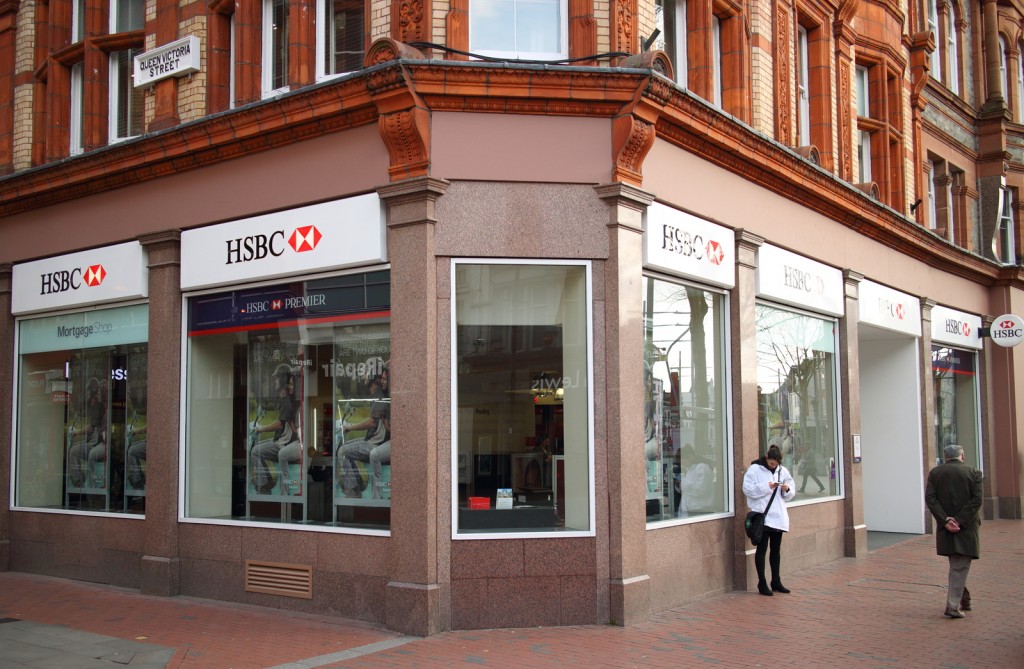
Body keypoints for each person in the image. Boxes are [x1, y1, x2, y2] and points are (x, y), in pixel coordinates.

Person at [925, 444, 983, 618]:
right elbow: (977, 500)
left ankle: (964, 599)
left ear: (945, 457)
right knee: (959, 565)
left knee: (957, 564)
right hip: (966, 526)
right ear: (962, 456)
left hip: (947, 526)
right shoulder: (974, 473)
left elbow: (931, 499)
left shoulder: (936, 473)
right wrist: (959, 520)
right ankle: (952, 606)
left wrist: (946, 520)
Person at [742, 444, 796, 596]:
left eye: (776, 463)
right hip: (762, 516)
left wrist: (787, 489)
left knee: (776, 550)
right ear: (767, 457)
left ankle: (776, 581)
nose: (774, 466)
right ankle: (762, 582)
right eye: (772, 463)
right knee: (762, 550)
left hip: (778, 516)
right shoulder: (754, 470)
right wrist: (767, 486)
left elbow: (791, 488)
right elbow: (747, 489)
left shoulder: (782, 471)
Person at [338, 366, 391, 499]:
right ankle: (357, 484)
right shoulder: (376, 395)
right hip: (372, 440)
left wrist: (350, 428)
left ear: (373, 378)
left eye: (366, 374)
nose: (364, 377)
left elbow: (373, 422)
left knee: (343, 452)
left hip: (376, 443)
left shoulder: (378, 395)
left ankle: (354, 490)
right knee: (343, 448)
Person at [251, 365, 301, 494]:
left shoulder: (286, 400)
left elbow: (280, 424)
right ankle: (266, 482)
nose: (275, 381)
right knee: (257, 451)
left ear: (282, 380)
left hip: (284, 444)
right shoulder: (285, 399)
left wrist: (261, 430)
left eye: (277, 378)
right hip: (281, 442)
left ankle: (270, 487)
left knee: (256, 452)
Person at [68, 377, 107, 488]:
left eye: (88, 391)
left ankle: (88, 482)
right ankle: (79, 480)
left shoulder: (97, 405)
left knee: (76, 451)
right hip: (92, 442)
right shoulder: (92, 406)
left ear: (91, 391)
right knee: (74, 450)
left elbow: (91, 427)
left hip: (98, 443)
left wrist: (77, 432)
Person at [674, 444, 714, 517]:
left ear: (690, 457)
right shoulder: (690, 469)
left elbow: (702, 490)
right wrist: (679, 485)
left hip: (701, 509)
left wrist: (685, 485)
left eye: (683, 462)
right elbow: (685, 489)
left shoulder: (702, 467)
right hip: (691, 508)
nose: (683, 465)